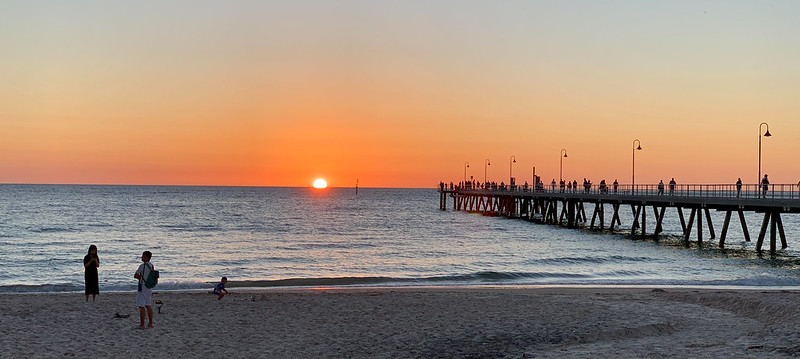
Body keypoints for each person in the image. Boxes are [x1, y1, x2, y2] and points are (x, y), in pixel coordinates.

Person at [134, 251, 155, 329]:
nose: (141, 257)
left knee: (141, 306)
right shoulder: (151, 266)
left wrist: (140, 278)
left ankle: (142, 324)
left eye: (143, 256)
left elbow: (135, 275)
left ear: (147, 257)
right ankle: (150, 323)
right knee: (148, 305)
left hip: (142, 286)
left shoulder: (142, 266)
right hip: (149, 286)